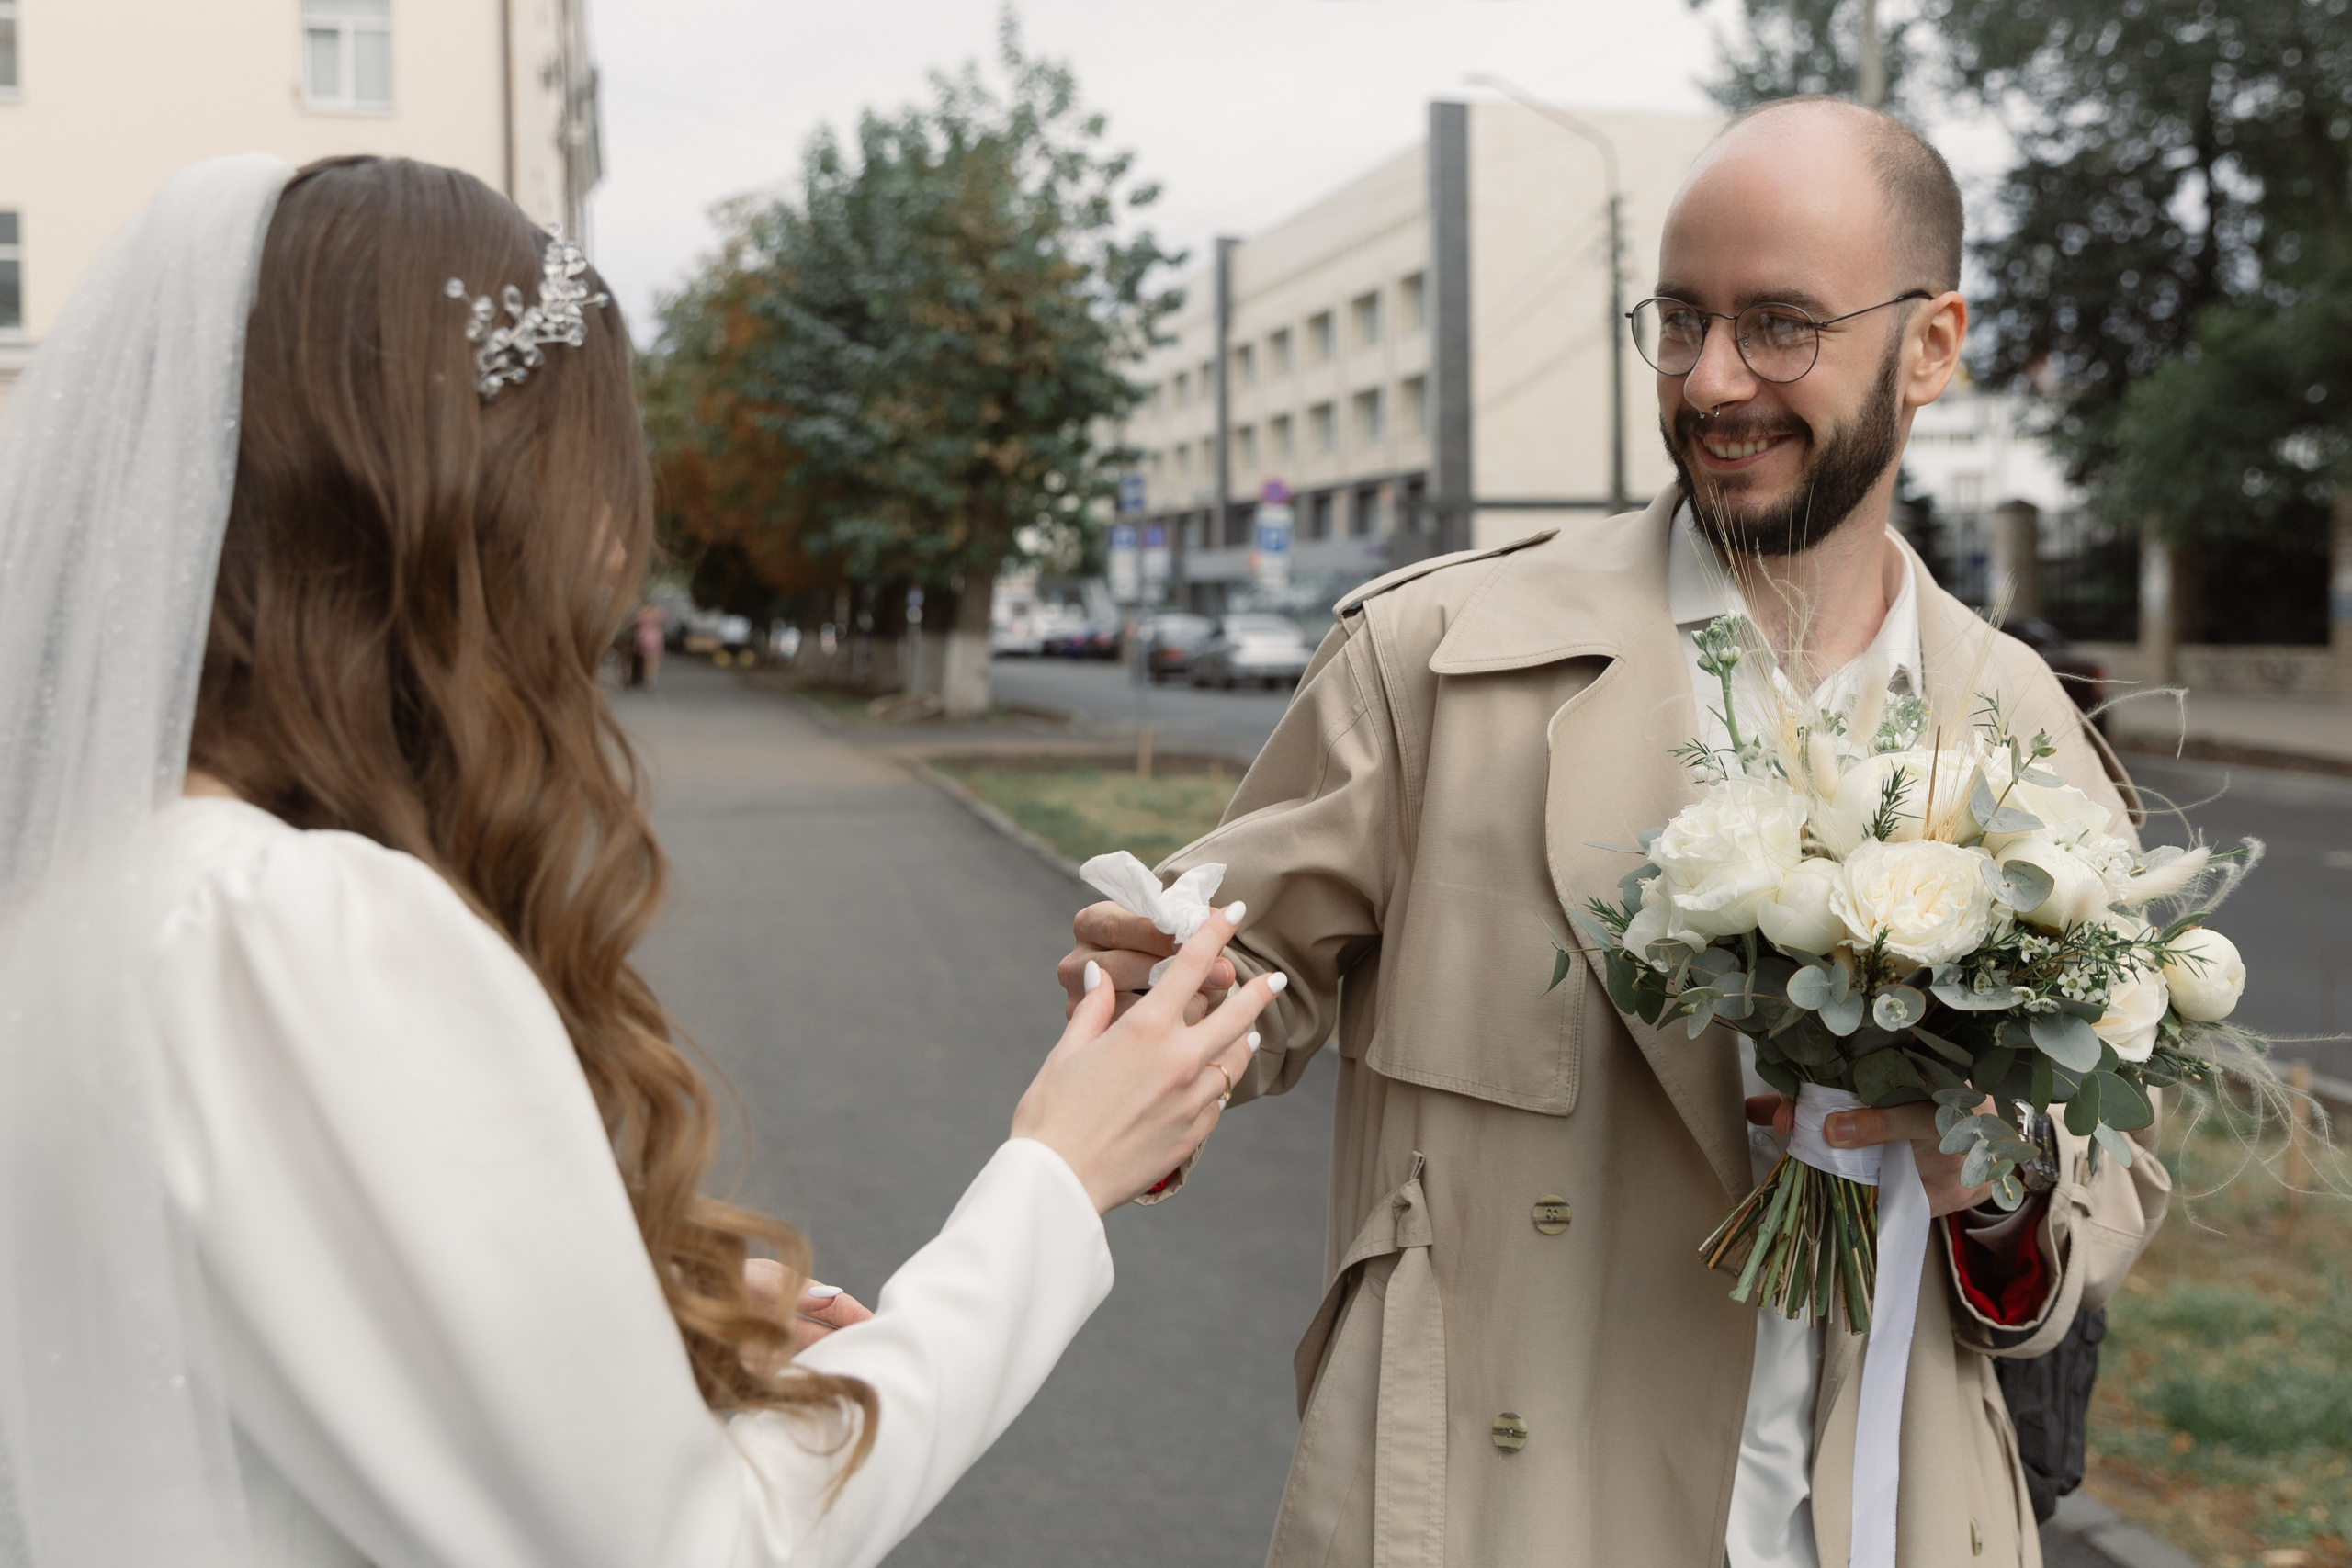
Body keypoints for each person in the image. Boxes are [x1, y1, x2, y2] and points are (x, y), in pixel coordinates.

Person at [0, 153, 1280, 1567]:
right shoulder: (290, 923)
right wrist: (1057, 1173)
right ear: (454, 497)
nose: (618, 554)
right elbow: (692, 1549)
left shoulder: (101, 894)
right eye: (592, 476)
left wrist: (612, 1324)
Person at [1061, 98, 2170, 1568]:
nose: (1714, 381)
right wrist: (1159, 1020)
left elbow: (2111, 1171)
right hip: (1507, 1504)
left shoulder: (2021, 723)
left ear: (1933, 346)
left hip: (1882, 1513)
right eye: (1680, 321)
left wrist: (1991, 1182)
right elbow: (1242, 969)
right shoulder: (1440, 654)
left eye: (1780, 325)